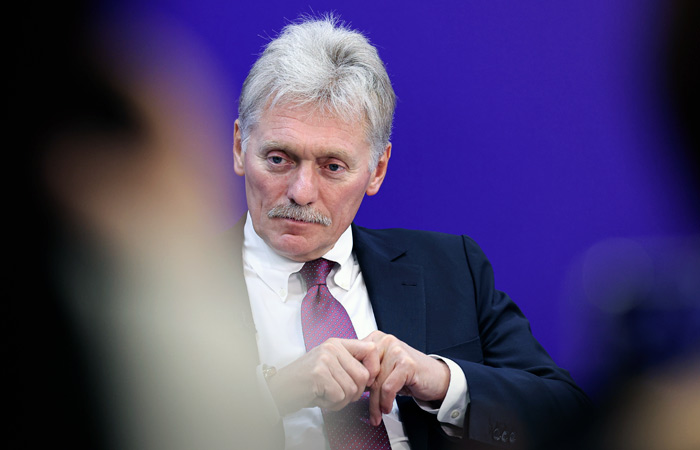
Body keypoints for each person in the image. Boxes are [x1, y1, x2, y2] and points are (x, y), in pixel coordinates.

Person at [228, 15, 590, 450]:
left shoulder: (452, 269)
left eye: (333, 167)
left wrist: (442, 381)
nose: (301, 192)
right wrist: (273, 396)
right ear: (240, 147)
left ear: (377, 170)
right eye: (278, 159)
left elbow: (569, 416)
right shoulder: (166, 285)